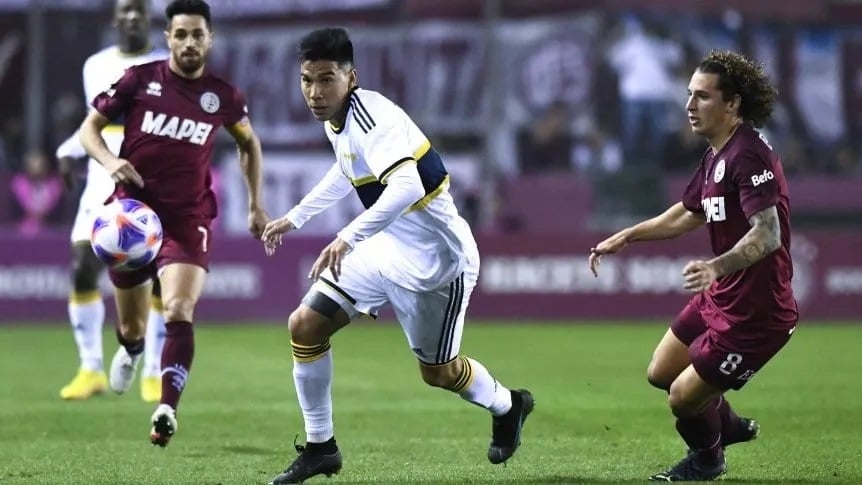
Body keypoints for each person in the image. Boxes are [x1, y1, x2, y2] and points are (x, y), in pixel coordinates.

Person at [260, 27, 533, 485]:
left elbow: (407, 185)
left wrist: (347, 237)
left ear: (351, 77)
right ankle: (321, 447)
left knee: (439, 373)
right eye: (307, 80)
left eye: (326, 79)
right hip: (385, 247)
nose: (315, 92)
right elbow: (347, 169)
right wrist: (296, 217)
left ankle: (508, 405)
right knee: (305, 325)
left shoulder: (374, 118)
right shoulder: (338, 120)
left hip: (436, 263)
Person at [589, 50, 796, 481]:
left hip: (757, 313)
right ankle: (728, 425)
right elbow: (688, 213)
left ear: (732, 103)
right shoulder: (717, 154)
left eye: (702, 96)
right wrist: (628, 235)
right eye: (689, 94)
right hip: (722, 295)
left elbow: (768, 233)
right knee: (661, 372)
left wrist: (716, 267)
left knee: (683, 398)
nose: (689, 105)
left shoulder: (748, 155)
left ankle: (708, 460)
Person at [78, 0, 268, 447]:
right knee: (133, 326)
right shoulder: (139, 80)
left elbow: (249, 144)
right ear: (168, 38)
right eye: (180, 34)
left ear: (209, 39)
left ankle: (166, 408)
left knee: (179, 308)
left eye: (197, 34)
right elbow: (89, 129)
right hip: (132, 217)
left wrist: (255, 205)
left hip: (188, 217)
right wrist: (110, 161)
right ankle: (132, 348)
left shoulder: (223, 96)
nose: (189, 43)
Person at [54, 0, 169, 403]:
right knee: (82, 265)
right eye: (125, 10)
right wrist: (68, 150)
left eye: (139, 9)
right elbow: (97, 121)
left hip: (149, 172)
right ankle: (90, 369)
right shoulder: (96, 65)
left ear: (149, 17)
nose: (132, 16)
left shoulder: (165, 63)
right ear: (115, 18)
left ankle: (153, 371)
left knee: (159, 271)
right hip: (103, 168)